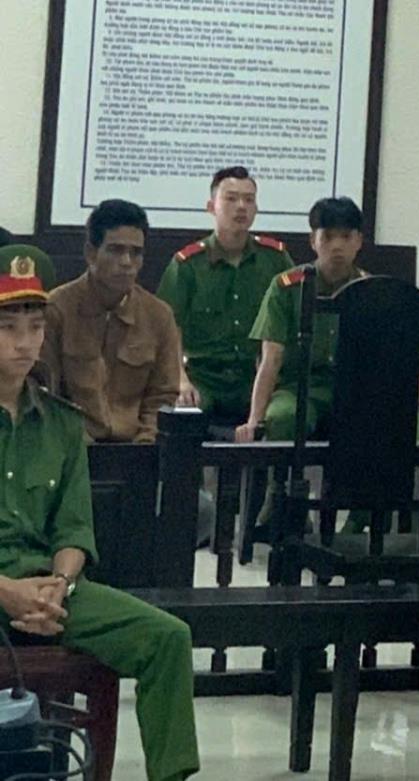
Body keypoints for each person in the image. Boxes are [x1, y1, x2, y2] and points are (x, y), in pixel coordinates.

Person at [0, 244, 199, 780]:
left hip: (48, 590)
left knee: (167, 638)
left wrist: (59, 586)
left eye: (35, 327)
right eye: (8, 328)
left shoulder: (63, 424)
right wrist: (7, 590)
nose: (24, 342)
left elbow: (73, 527)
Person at [157, 166, 293, 420]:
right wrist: (180, 380)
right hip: (203, 378)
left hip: (258, 377)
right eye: (231, 198)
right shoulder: (188, 264)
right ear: (211, 207)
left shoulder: (275, 259)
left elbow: (294, 319)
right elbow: (168, 326)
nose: (241, 207)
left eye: (249, 200)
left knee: (281, 416)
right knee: (183, 415)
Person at [42, 200, 181, 443]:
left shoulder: (159, 316)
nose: (127, 262)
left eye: (136, 253)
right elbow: (45, 394)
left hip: (136, 448)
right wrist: (73, 444)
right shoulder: (57, 308)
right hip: (71, 446)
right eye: (115, 250)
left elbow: (163, 397)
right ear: (91, 253)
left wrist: (145, 445)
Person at [236, 196, 367, 444]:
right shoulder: (285, 287)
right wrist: (255, 420)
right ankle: (279, 473)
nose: (337, 246)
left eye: (346, 237)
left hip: (352, 390)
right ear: (313, 240)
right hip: (296, 389)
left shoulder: (370, 290)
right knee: (282, 418)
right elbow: (271, 358)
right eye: (328, 237)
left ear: (359, 241)